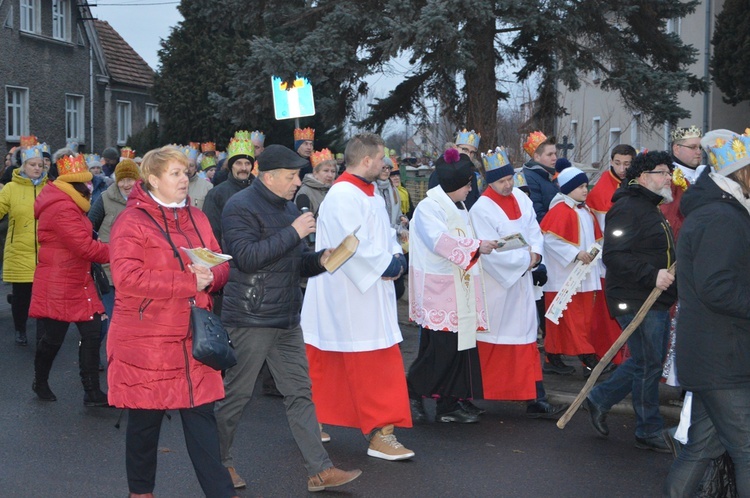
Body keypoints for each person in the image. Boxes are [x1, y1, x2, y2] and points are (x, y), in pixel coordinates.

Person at [215, 144, 362, 493]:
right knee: (236, 395)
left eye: (298, 175)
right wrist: (295, 232)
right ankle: (218, 463)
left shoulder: (288, 209)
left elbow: (294, 263)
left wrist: (321, 259)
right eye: (292, 175)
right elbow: (247, 258)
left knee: (300, 393)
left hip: (285, 317)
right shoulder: (240, 207)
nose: (298, 181)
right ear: (269, 176)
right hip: (251, 317)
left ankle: (319, 470)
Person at [106, 146, 237, 498]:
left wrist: (212, 277)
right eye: (175, 173)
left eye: (186, 172)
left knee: (202, 423)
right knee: (145, 426)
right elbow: (126, 277)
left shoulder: (197, 217)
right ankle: (141, 493)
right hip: (147, 340)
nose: (184, 179)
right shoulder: (131, 222)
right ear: (152, 179)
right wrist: (186, 282)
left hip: (194, 338)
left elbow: (221, 262)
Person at [301, 132, 414, 461]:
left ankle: (318, 421)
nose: (385, 164)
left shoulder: (371, 193)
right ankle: (381, 433)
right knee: (366, 363)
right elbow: (349, 246)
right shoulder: (342, 196)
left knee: (352, 359)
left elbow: (384, 235)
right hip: (346, 293)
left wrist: (396, 256)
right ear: (366, 160)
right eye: (381, 159)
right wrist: (385, 265)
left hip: (370, 289)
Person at [664, 129, 750, 496]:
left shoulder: (718, 211)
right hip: (723, 358)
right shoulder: (722, 217)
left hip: (713, 353)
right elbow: (718, 287)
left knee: (701, 448)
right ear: (741, 173)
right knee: (747, 451)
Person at [585, 150, 677, 453]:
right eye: (662, 172)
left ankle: (599, 398)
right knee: (648, 364)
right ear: (643, 176)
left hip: (655, 299)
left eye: (668, 172)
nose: (668, 178)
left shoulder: (651, 207)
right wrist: (653, 276)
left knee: (646, 361)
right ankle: (647, 429)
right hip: (636, 298)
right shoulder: (627, 208)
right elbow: (614, 255)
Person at [470, 148, 567, 418]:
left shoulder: (521, 200)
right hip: (498, 286)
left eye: (510, 179)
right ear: (490, 182)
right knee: (497, 336)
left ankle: (534, 394)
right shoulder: (481, 209)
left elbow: (534, 229)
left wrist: (536, 253)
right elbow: (488, 250)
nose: (509, 184)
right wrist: (526, 261)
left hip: (522, 281)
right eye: (502, 181)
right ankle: (488, 391)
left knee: (525, 336)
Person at [407, 149, 495, 424]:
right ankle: (410, 392)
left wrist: (480, 245)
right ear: (455, 185)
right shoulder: (428, 207)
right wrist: (476, 247)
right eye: (468, 184)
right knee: (441, 351)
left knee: (461, 347)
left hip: (460, 287)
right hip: (438, 289)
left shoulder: (458, 205)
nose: (471, 189)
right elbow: (439, 241)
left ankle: (449, 403)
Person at [29, 154, 109, 406]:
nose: (89, 187)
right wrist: (119, 250)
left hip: (77, 279)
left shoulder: (69, 203)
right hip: (59, 282)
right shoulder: (62, 207)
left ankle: (92, 392)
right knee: (53, 338)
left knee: (92, 332)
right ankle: (39, 380)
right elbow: (84, 247)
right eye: (85, 184)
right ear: (74, 185)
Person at [540, 165, 607, 377]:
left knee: (576, 320)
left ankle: (553, 356)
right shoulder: (559, 211)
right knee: (568, 319)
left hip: (584, 277)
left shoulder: (585, 211)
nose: (585, 190)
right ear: (568, 189)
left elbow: (596, 239)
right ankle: (588, 358)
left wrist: (596, 253)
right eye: (580, 186)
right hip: (564, 276)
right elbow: (550, 240)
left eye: (586, 185)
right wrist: (575, 254)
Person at [585, 144, 637, 366]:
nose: (623, 168)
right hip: (610, 261)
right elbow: (599, 230)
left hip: (635, 259)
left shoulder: (637, 184)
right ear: (611, 162)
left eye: (627, 164)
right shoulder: (601, 191)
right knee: (609, 315)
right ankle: (609, 357)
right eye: (618, 163)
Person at [88, 159, 140, 360]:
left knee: (132, 319)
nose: (127, 184)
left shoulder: (145, 201)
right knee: (111, 318)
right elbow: (89, 227)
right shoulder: (104, 199)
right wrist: (97, 246)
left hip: (135, 270)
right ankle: (102, 357)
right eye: (122, 180)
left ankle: (124, 357)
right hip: (108, 271)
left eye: (131, 179)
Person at [0, 142, 47, 345]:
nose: (37, 168)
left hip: (46, 251)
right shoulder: (11, 188)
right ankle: (20, 329)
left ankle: (44, 333)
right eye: (32, 164)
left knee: (45, 295)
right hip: (19, 250)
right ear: (23, 166)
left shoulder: (51, 188)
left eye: (40, 165)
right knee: (21, 297)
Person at [203, 136, 256, 249]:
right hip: (230, 258)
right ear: (231, 165)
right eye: (238, 163)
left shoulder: (261, 190)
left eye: (247, 163)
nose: (243, 168)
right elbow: (212, 231)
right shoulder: (216, 194)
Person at [661, 125, 705, 240]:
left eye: (700, 147)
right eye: (693, 147)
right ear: (676, 149)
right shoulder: (668, 177)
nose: (699, 152)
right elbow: (668, 215)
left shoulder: (706, 174)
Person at [427, 129, 482, 209]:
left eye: (472, 152)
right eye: (465, 150)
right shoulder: (440, 173)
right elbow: (433, 202)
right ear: (455, 148)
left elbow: (473, 202)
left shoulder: (472, 175)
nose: (468, 155)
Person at [522, 131, 559, 223]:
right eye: (550, 154)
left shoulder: (551, 174)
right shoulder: (529, 178)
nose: (554, 158)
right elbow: (537, 213)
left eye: (555, 153)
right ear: (537, 157)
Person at [295, 148, 336, 216]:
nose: (330, 175)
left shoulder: (335, 189)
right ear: (315, 173)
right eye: (326, 171)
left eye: (333, 171)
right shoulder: (305, 192)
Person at [183, 144, 213, 210]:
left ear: (196, 168)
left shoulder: (207, 187)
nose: (188, 169)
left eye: (191, 166)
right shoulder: (172, 186)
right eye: (185, 165)